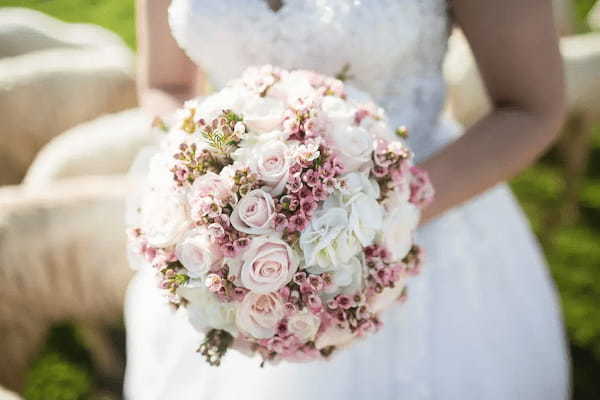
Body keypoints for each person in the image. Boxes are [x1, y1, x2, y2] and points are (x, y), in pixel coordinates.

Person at [125, 0, 570, 398]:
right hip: (223, 249)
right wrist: (206, 183)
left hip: (424, 228)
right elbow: (166, 84)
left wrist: (388, 211)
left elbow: (531, 106)